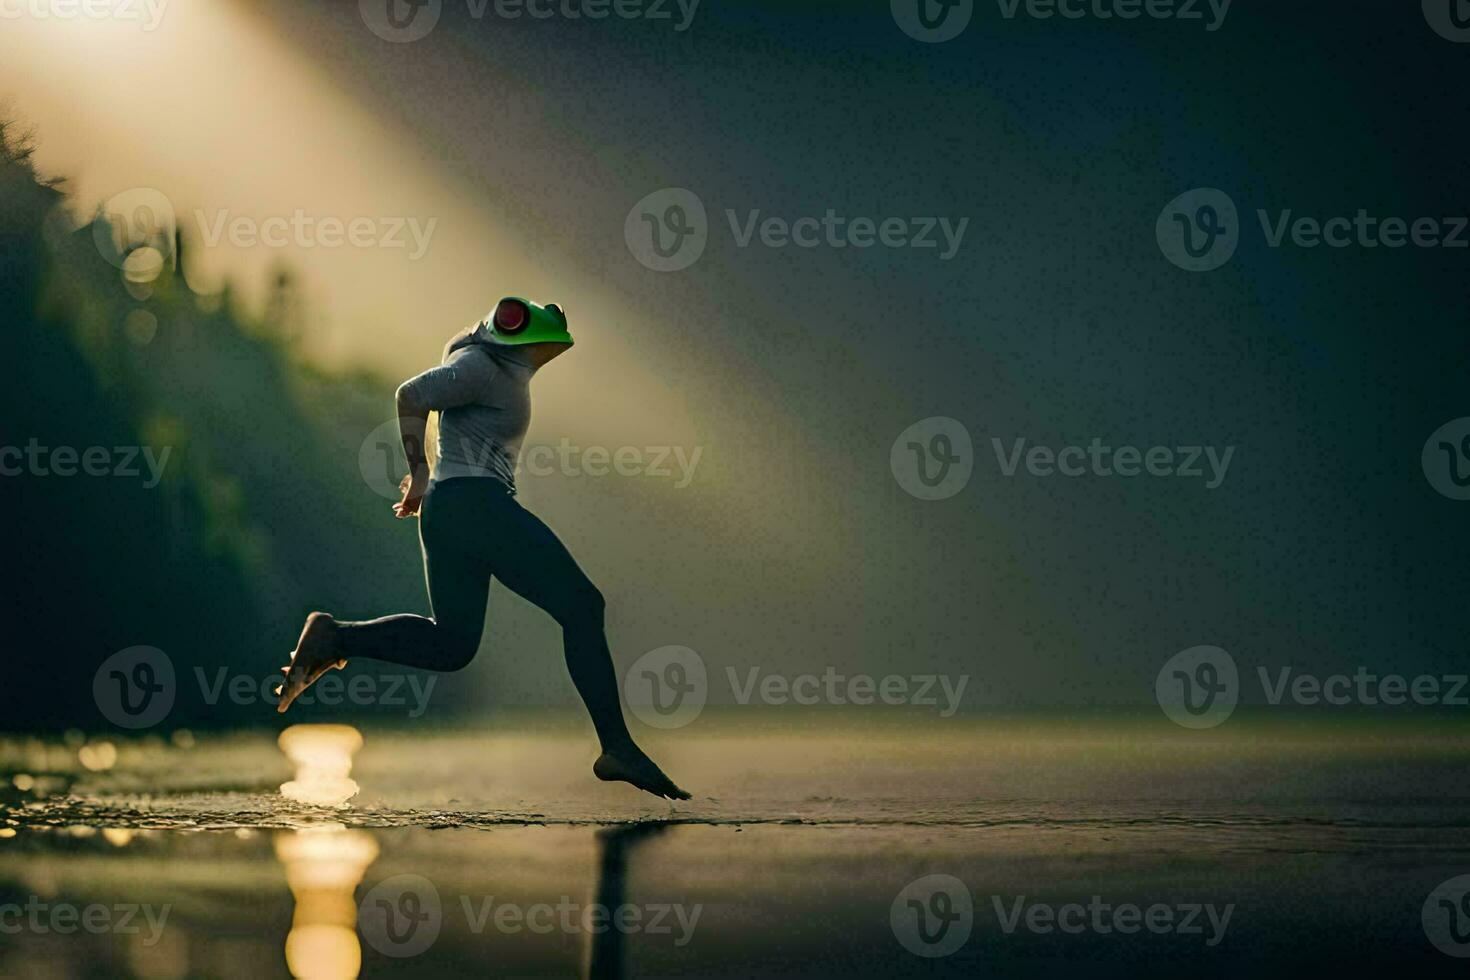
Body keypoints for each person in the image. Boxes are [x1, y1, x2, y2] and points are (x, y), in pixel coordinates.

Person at [276, 297, 690, 801]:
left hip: (455, 512)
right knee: (584, 607)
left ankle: (335, 639)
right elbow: (411, 395)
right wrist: (420, 470)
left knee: (452, 646)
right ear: (512, 333)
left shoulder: (499, 371)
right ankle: (617, 747)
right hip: (476, 506)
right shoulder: (482, 366)